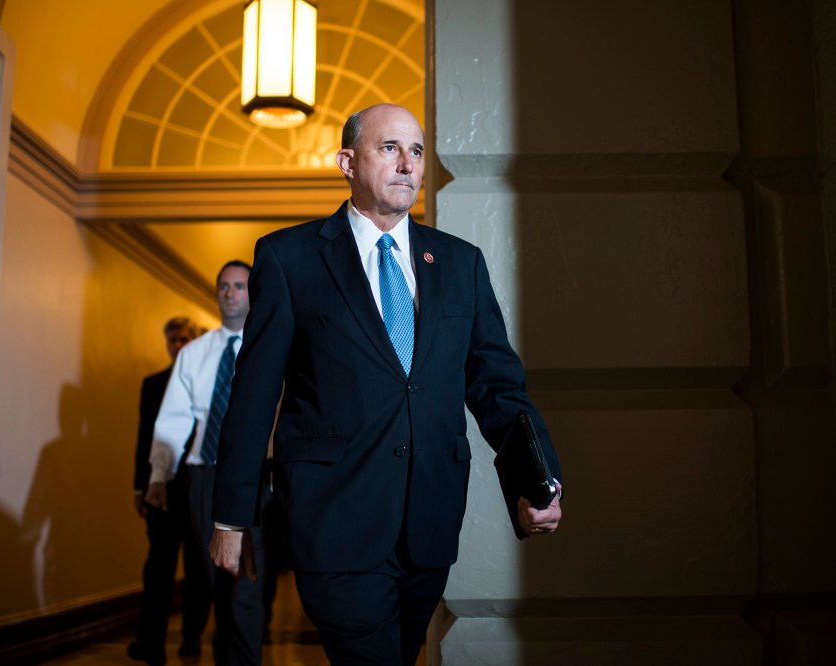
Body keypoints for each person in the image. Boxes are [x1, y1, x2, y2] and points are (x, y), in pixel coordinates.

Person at [209, 103, 564, 666]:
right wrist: (231, 516)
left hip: (428, 521)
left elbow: (497, 385)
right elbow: (253, 398)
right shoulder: (289, 257)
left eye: (417, 151)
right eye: (389, 148)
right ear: (347, 161)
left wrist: (534, 479)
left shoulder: (459, 263)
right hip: (333, 521)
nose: (407, 164)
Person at [146, 261, 266, 666]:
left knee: (247, 582)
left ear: (254, 293)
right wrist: (159, 475)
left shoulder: (272, 346)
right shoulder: (194, 354)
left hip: (256, 477)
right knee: (215, 579)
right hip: (203, 477)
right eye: (224, 286)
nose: (230, 293)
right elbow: (174, 419)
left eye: (239, 286)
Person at [129, 317, 211, 665]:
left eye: (183, 339)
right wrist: (140, 484)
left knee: (197, 569)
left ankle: (191, 637)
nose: (177, 345)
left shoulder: (206, 383)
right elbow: (144, 436)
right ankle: (151, 643)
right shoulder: (152, 384)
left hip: (196, 489)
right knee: (158, 568)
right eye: (172, 340)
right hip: (162, 488)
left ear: (193, 343)